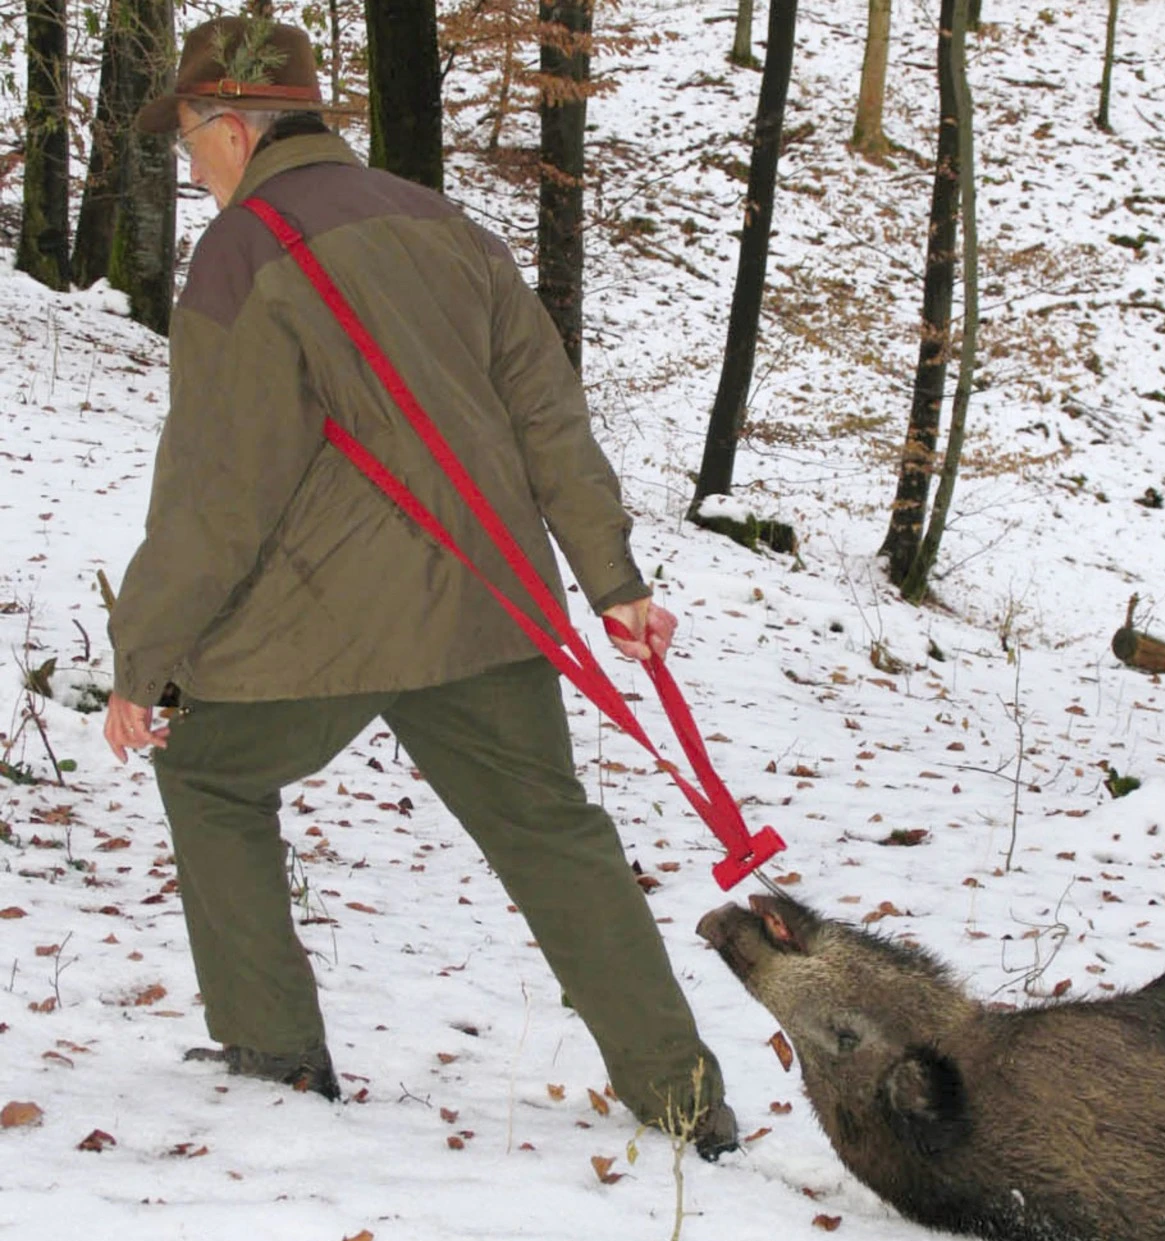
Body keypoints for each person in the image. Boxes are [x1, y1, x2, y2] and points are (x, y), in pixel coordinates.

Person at [103, 16, 737, 1160]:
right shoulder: (451, 226)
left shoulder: (245, 249)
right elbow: (549, 413)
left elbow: (217, 484)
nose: (189, 167)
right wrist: (611, 577)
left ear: (236, 127)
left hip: (322, 618)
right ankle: (685, 1101)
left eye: (191, 139)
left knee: (200, 767)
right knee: (555, 833)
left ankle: (271, 1053)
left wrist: (145, 659)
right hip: (491, 598)